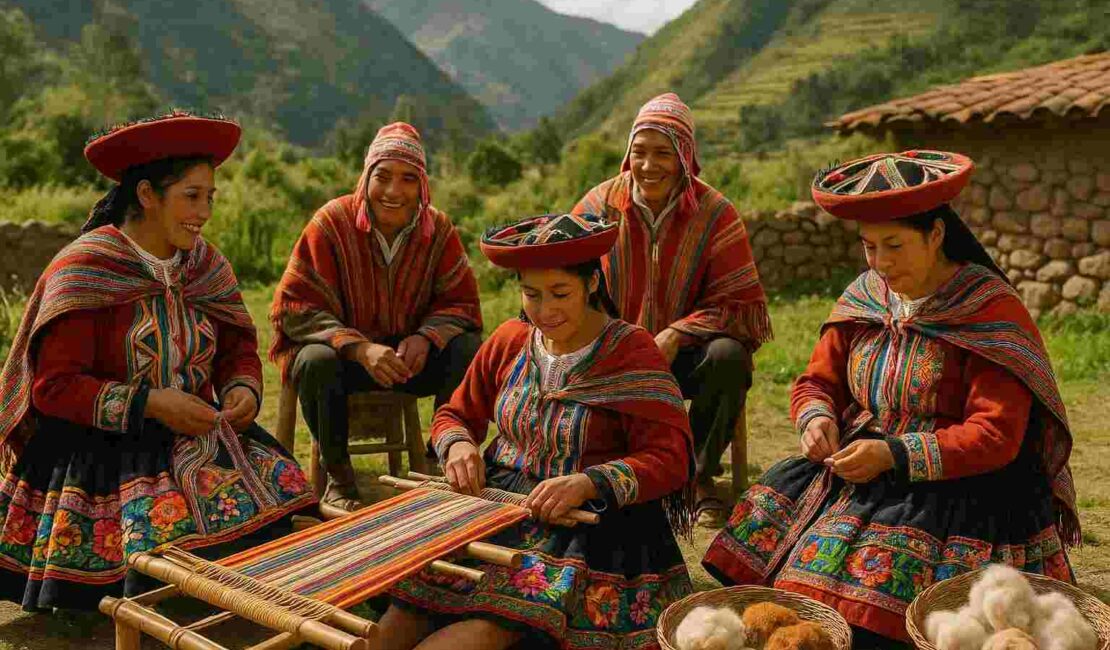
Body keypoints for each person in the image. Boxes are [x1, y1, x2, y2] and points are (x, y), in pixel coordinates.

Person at [701, 150, 1080, 645]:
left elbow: (996, 434)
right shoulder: (867, 298)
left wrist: (893, 455)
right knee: (786, 586)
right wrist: (815, 420)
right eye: (869, 247)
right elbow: (817, 382)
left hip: (958, 486)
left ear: (937, 234)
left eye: (894, 245)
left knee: (873, 600)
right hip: (861, 463)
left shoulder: (989, 312)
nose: (879, 263)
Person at [0, 111, 316, 611]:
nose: (204, 212)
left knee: (285, 500)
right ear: (147, 195)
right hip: (105, 450)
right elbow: (54, 387)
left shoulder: (204, 264)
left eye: (209, 197)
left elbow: (237, 345)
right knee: (162, 548)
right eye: (192, 196)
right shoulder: (87, 269)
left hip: (196, 429)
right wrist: (150, 402)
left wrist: (242, 388)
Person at [377, 213, 697, 650]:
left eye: (560, 293)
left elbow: (670, 457)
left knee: (486, 629)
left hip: (587, 522)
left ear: (592, 285)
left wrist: (589, 481)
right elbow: (455, 413)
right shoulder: (511, 340)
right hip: (499, 506)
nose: (544, 310)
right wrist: (458, 447)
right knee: (402, 618)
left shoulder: (630, 351)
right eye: (532, 294)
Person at [571, 93, 771, 526]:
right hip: (614, 352)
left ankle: (694, 477)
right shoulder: (600, 206)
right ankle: (611, 470)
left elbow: (738, 303)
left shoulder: (715, 213)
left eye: (663, 153)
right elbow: (569, 282)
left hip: (684, 356)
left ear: (685, 156)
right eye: (639, 152)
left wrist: (678, 333)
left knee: (729, 358)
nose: (648, 165)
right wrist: (618, 338)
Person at [270, 122, 483, 511]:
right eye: (382, 177)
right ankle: (340, 478)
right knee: (315, 359)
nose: (393, 192)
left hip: (406, 362)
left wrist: (426, 337)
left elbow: (462, 305)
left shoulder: (439, 231)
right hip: (344, 364)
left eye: (408, 179)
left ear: (422, 186)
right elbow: (294, 308)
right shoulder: (331, 223)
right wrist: (358, 348)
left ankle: (442, 463)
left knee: (466, 348)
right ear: (366, 177)